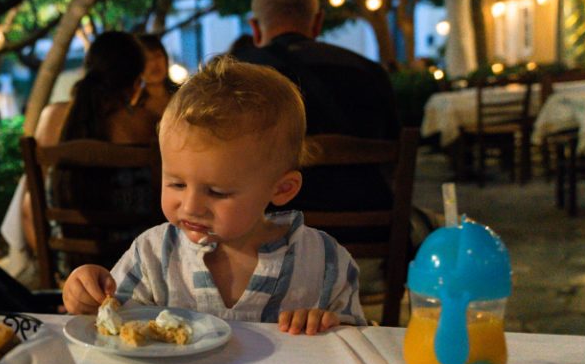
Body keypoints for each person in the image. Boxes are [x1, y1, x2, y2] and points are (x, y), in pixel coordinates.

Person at [62, 55, 365, 335]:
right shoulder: (153, 254)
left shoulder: (324, 262)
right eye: (176, 184)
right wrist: (88, 293)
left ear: (282, 189)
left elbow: (358, 342)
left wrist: (328, 325)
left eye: (217, 192)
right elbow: (111, 322)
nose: (191, 206)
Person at [232, 0, 400, 219]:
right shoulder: (369, 72)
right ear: (318, 21)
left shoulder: (233, 76)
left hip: (265, 230)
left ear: (255, 28)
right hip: (368, 224)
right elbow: (394, 156)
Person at [21, 31, 161, 268]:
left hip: (69, 274)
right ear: (136, 83)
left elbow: (29, 209)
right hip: (135, 271)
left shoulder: (51, 116)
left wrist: (53, 272)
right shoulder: (146, 123)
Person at [132, 33, 175, 121]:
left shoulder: (182, 95)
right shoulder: (135, 104)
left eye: (157, 55)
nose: (154, 63)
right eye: (146, 59)